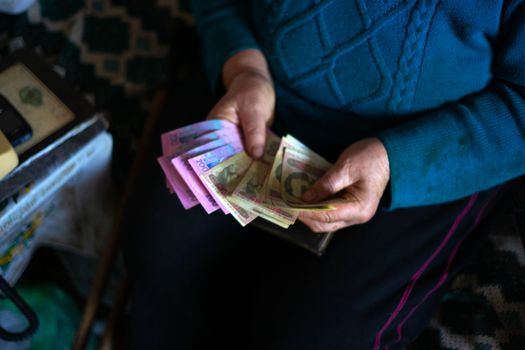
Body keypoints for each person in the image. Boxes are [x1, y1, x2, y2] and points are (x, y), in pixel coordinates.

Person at [123, 1, 525, 349]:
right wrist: (244, 69)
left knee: (320, 335)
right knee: (160, 252)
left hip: (434, 148)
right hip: (256, 87)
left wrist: (397, 162)